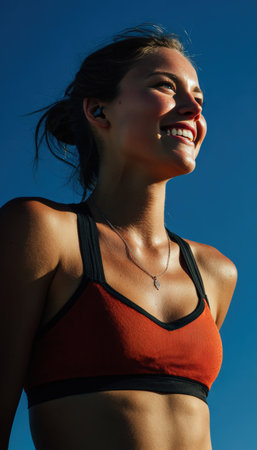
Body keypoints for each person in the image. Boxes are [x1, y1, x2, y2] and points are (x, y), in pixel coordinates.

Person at [0, 25, 238, 450]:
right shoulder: (42, 232)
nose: (192, 110)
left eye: (199, 100)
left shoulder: (215, 272)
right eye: (165, 87)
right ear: (98, 112)